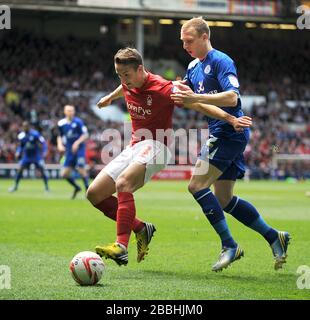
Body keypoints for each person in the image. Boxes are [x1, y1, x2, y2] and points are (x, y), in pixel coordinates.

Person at [86, 47, 252, 266]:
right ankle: (141, 227)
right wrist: (109, 97)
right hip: (135, 145)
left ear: (140, 69)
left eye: (126, 75)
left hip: (157, 146)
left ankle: (121, 246)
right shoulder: (127, 83)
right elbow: (123, 88)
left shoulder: (163, 88)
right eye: (119, 75)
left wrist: (230, 119)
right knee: (94, 194)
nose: (123, 80)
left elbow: (198, 104)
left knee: (124, 183)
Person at [171, 17, 290, 271]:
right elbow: (193, 101)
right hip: (225, 129)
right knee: (224, 199)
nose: (184, 46)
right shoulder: (193, 67)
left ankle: (230, 245)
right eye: (182, 41)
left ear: (205, 37)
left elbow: (232, 96)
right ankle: (274, 236)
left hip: (228, 135)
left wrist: (195, 97)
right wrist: (184, 94)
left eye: (189, 40)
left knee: (196, 185)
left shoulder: (221, 61)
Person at [57, 105, 89, 199]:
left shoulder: (78, 122)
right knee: (64, 174)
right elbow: (59, 135)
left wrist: (77, 142)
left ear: (74, 112)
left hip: (79, 149)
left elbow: (85, 135)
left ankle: (88, 191)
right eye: (68, 110)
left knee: (81, 169)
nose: (70, 112)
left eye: (72, 110)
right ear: (65, 112)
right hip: (69, 151)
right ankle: (77, 187)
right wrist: (59, 144)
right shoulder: (61, 123)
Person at [9, 121, 49, 192]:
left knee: (42, 170)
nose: (25, 128)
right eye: (24, 127)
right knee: (20, 170)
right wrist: (18, 151)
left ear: (29, 127)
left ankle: (46, 187)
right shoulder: (21, 136)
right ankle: (15, 186)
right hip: (27, 156)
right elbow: (21, 146)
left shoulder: (35, 134)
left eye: (26, 127)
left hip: (36, 156)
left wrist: (44, 151)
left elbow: (43, 142)